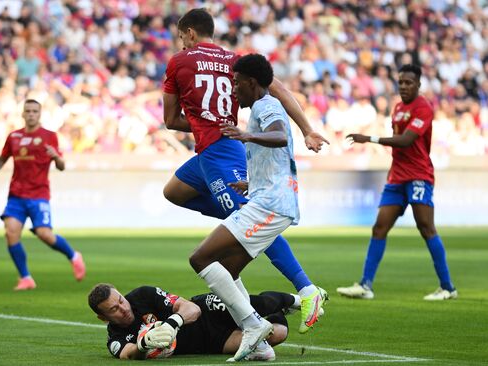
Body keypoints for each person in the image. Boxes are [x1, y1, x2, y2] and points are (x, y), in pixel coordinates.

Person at [162, 8, 328, 335]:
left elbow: (170, 120)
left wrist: (202, 123)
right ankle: (240, 218)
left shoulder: (178, 62)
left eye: (182, 38)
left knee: (250, 219)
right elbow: (279, 88)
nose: (182, 44)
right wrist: (307, 128)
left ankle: (307, 289)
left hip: (219, 151)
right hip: (214, 151)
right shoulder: (233, 60)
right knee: (174, 192)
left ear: (190, 34)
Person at [337, 64, 457, 301]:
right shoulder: (398, 108)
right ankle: (365, 285)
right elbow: (399, 148)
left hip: (419, 175)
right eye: (401, 82)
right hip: (397, 177)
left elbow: (405, 141)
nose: (403, 86)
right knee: (379, 227)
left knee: (426, 227)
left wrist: (368, 139)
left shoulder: (423, 107)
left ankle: (447, 288)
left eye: (408, 82)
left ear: (418, 84)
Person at [0, 99, 86, 290]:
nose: (31, 114)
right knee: (11, 233)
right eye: (28, 111)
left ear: (40, 114)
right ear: (23, 114)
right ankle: (25, 278)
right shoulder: (14, 136)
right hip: (16, 195)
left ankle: (73, 256)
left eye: (35, 111)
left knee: (45, 234)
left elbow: (61, 167)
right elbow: (1, 160)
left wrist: (56, 157)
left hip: (39, 194)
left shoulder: (49, 136)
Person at [88, 283, 299, 361]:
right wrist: (143, 344)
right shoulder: (114, 338)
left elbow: (192, 309)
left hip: (207, 312)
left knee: (257, 304)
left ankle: (300, 299)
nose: (123, 309)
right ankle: (279, 312)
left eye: (121, 300)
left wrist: (171, 324)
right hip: (211, 342)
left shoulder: (143, 295)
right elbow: (128, 353)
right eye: (114, 309)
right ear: (103, 317)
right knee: (278, 333)